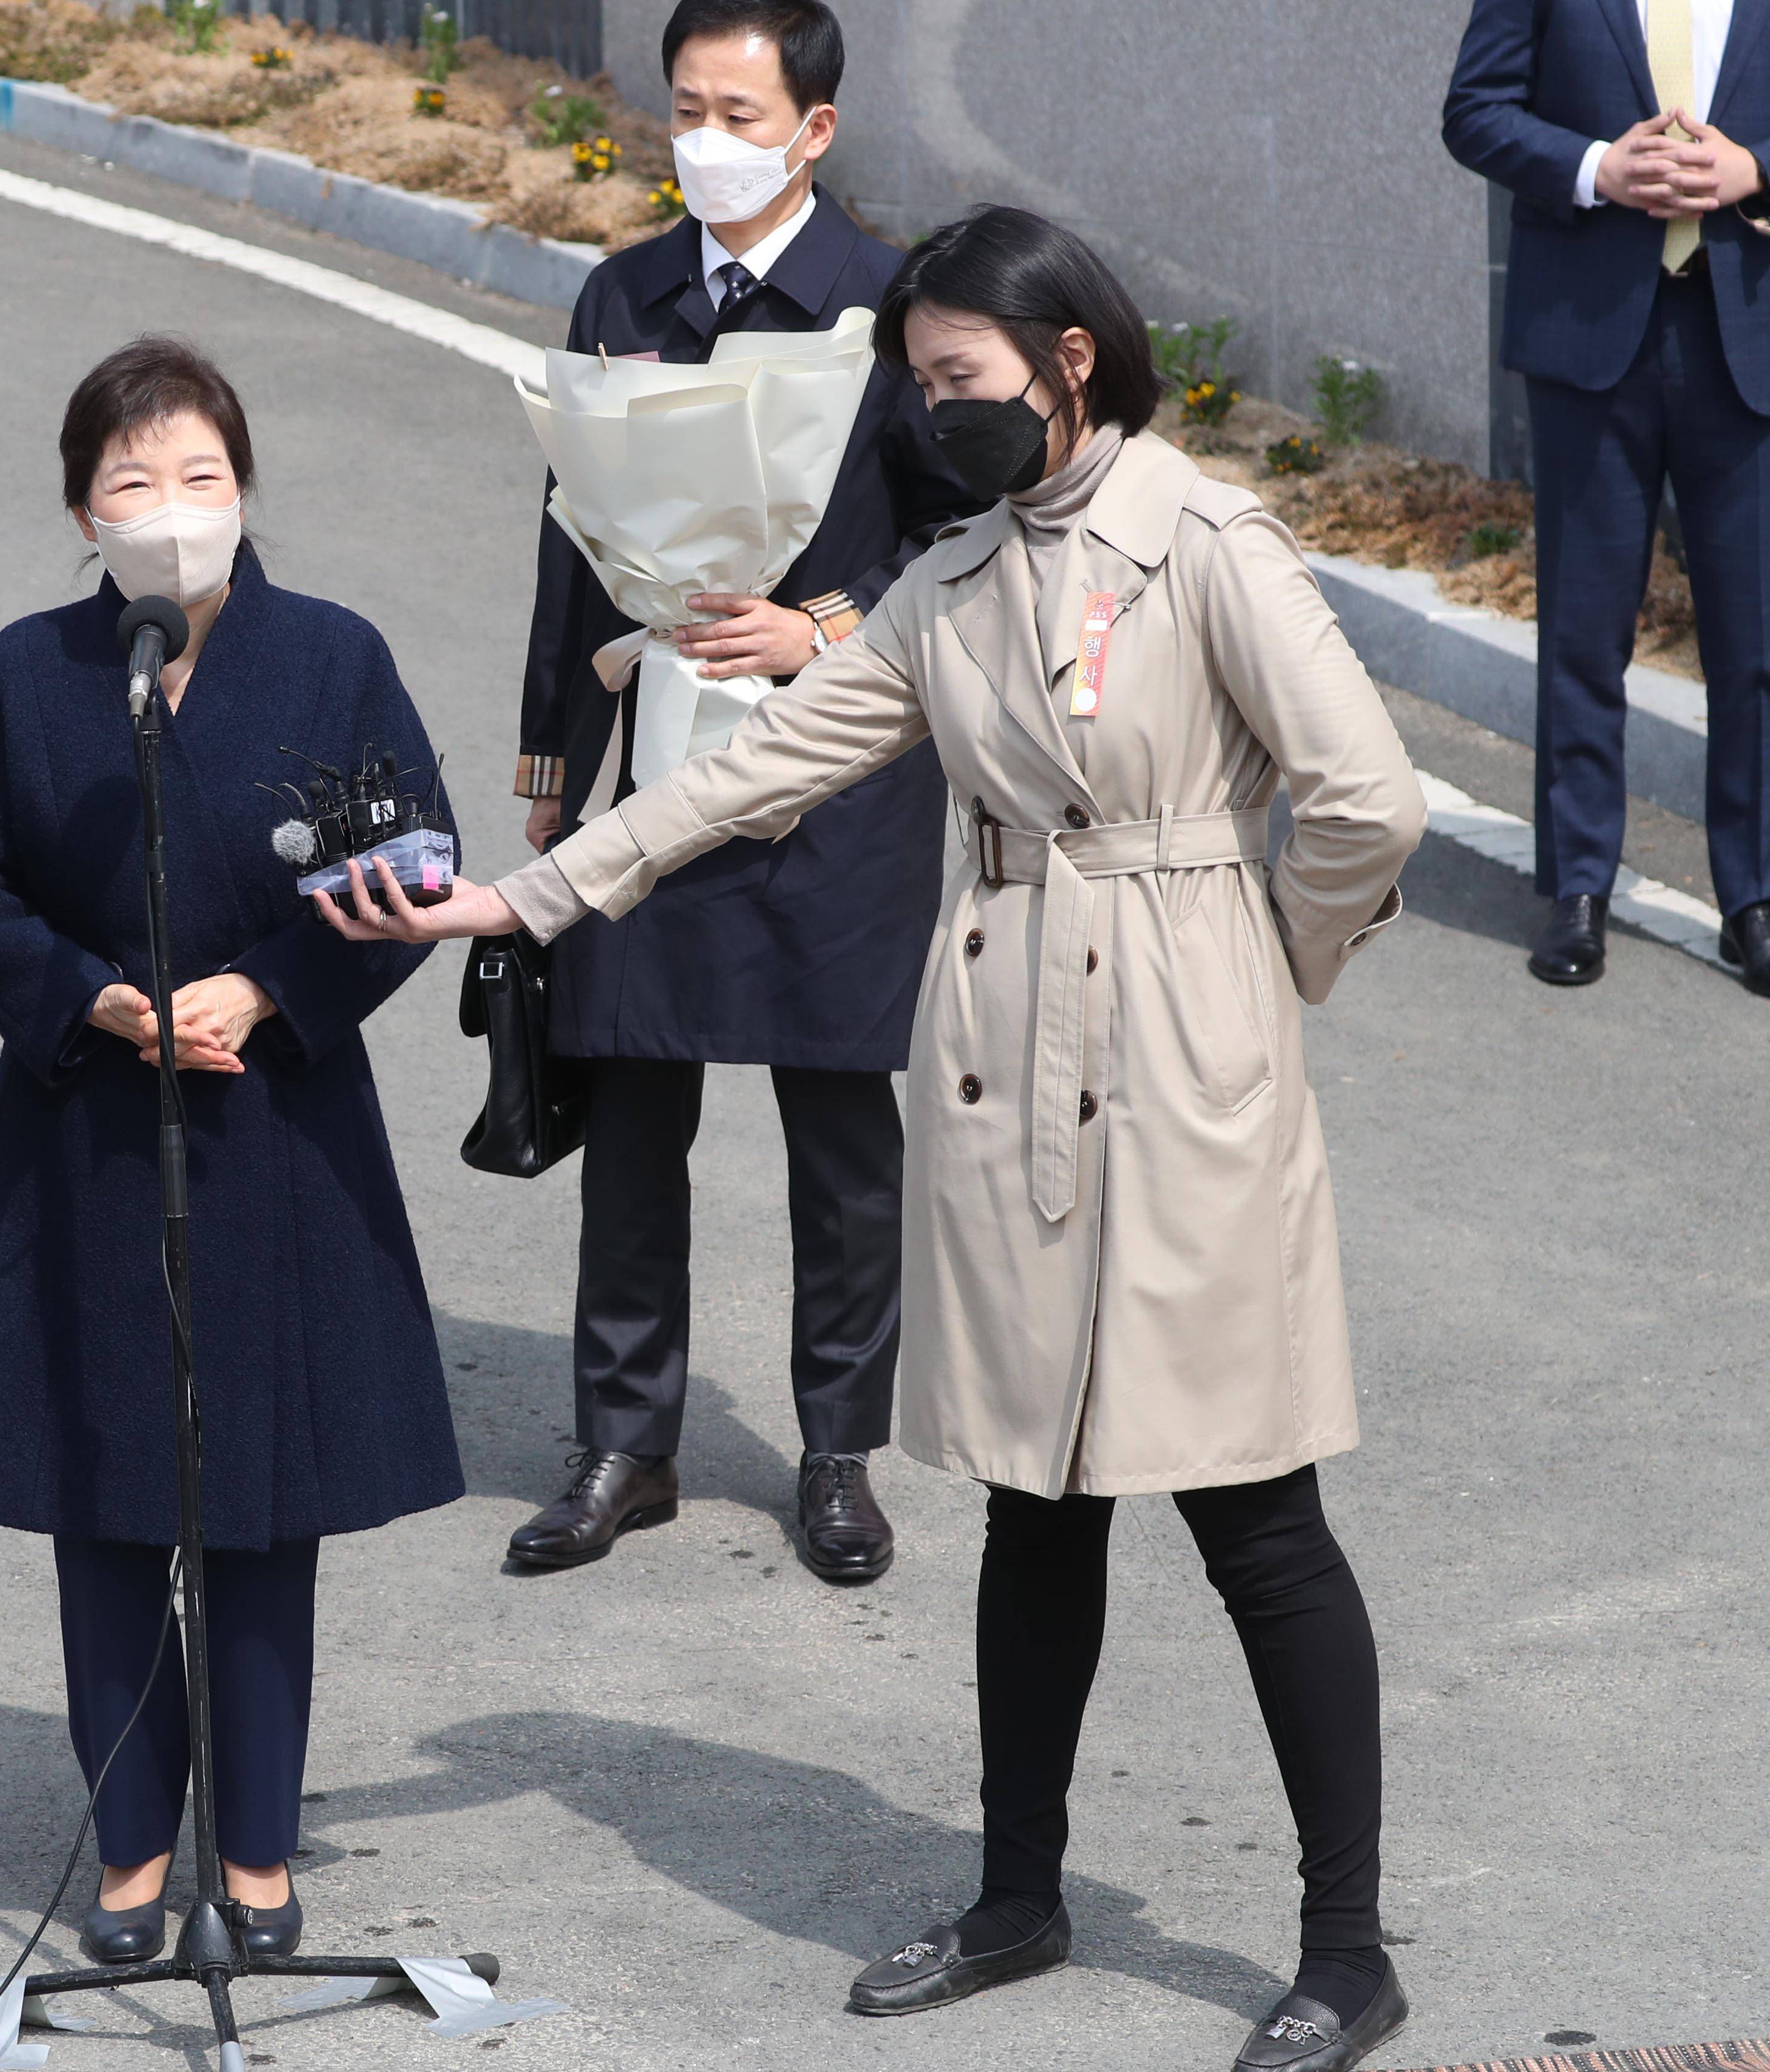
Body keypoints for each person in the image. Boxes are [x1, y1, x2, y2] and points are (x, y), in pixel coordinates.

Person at [329, 209, 1426, 2072]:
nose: (938, 414)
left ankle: (1348, 1943)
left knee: (1256, 1510)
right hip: (1010, 1043)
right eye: (920, 388)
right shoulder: (960, 577)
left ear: (1071, 356)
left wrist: (1264, 964)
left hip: (1180, 1048)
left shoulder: (1206, 540)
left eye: (962, 381)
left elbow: (1367, 802)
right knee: (1035, 1494)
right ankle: (1020, 1888)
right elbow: (758, 758)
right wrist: (530, 901)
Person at [0, 337, 464, 1965]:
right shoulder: (31, 670)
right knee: (107, 1498)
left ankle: (265, 1845)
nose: (170, 512)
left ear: (247, 489)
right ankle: (137, 1845)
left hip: (273, 1124)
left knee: (259, 1504)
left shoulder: (333, 656)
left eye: (201, 478)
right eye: (133, 484)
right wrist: (90, 995)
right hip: (88, 1122)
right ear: (81, 509)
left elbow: (419, 858)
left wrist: (271, 985)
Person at [506, 0, 981, 1581]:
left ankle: (838, 1452)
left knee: (843, 1138)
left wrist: (826, 626)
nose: (703, 138)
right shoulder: (622, 287)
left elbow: (959, 539)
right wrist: (550, 770)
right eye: (685, 108)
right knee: (633, 1115)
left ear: (816, 129)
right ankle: (624, 1440)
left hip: (833, 777)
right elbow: (572, 535)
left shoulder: (889, 302)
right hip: (651, 768)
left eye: (737, 110)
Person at [1445, 0, 1770, 990]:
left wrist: (1758, 167)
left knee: (1755, 644)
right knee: (1584, 636)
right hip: (1590, 338)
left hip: (1747, 337)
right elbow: (1475, 109)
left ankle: (1754, 894)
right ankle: (1578, 886)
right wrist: (1599, 168)